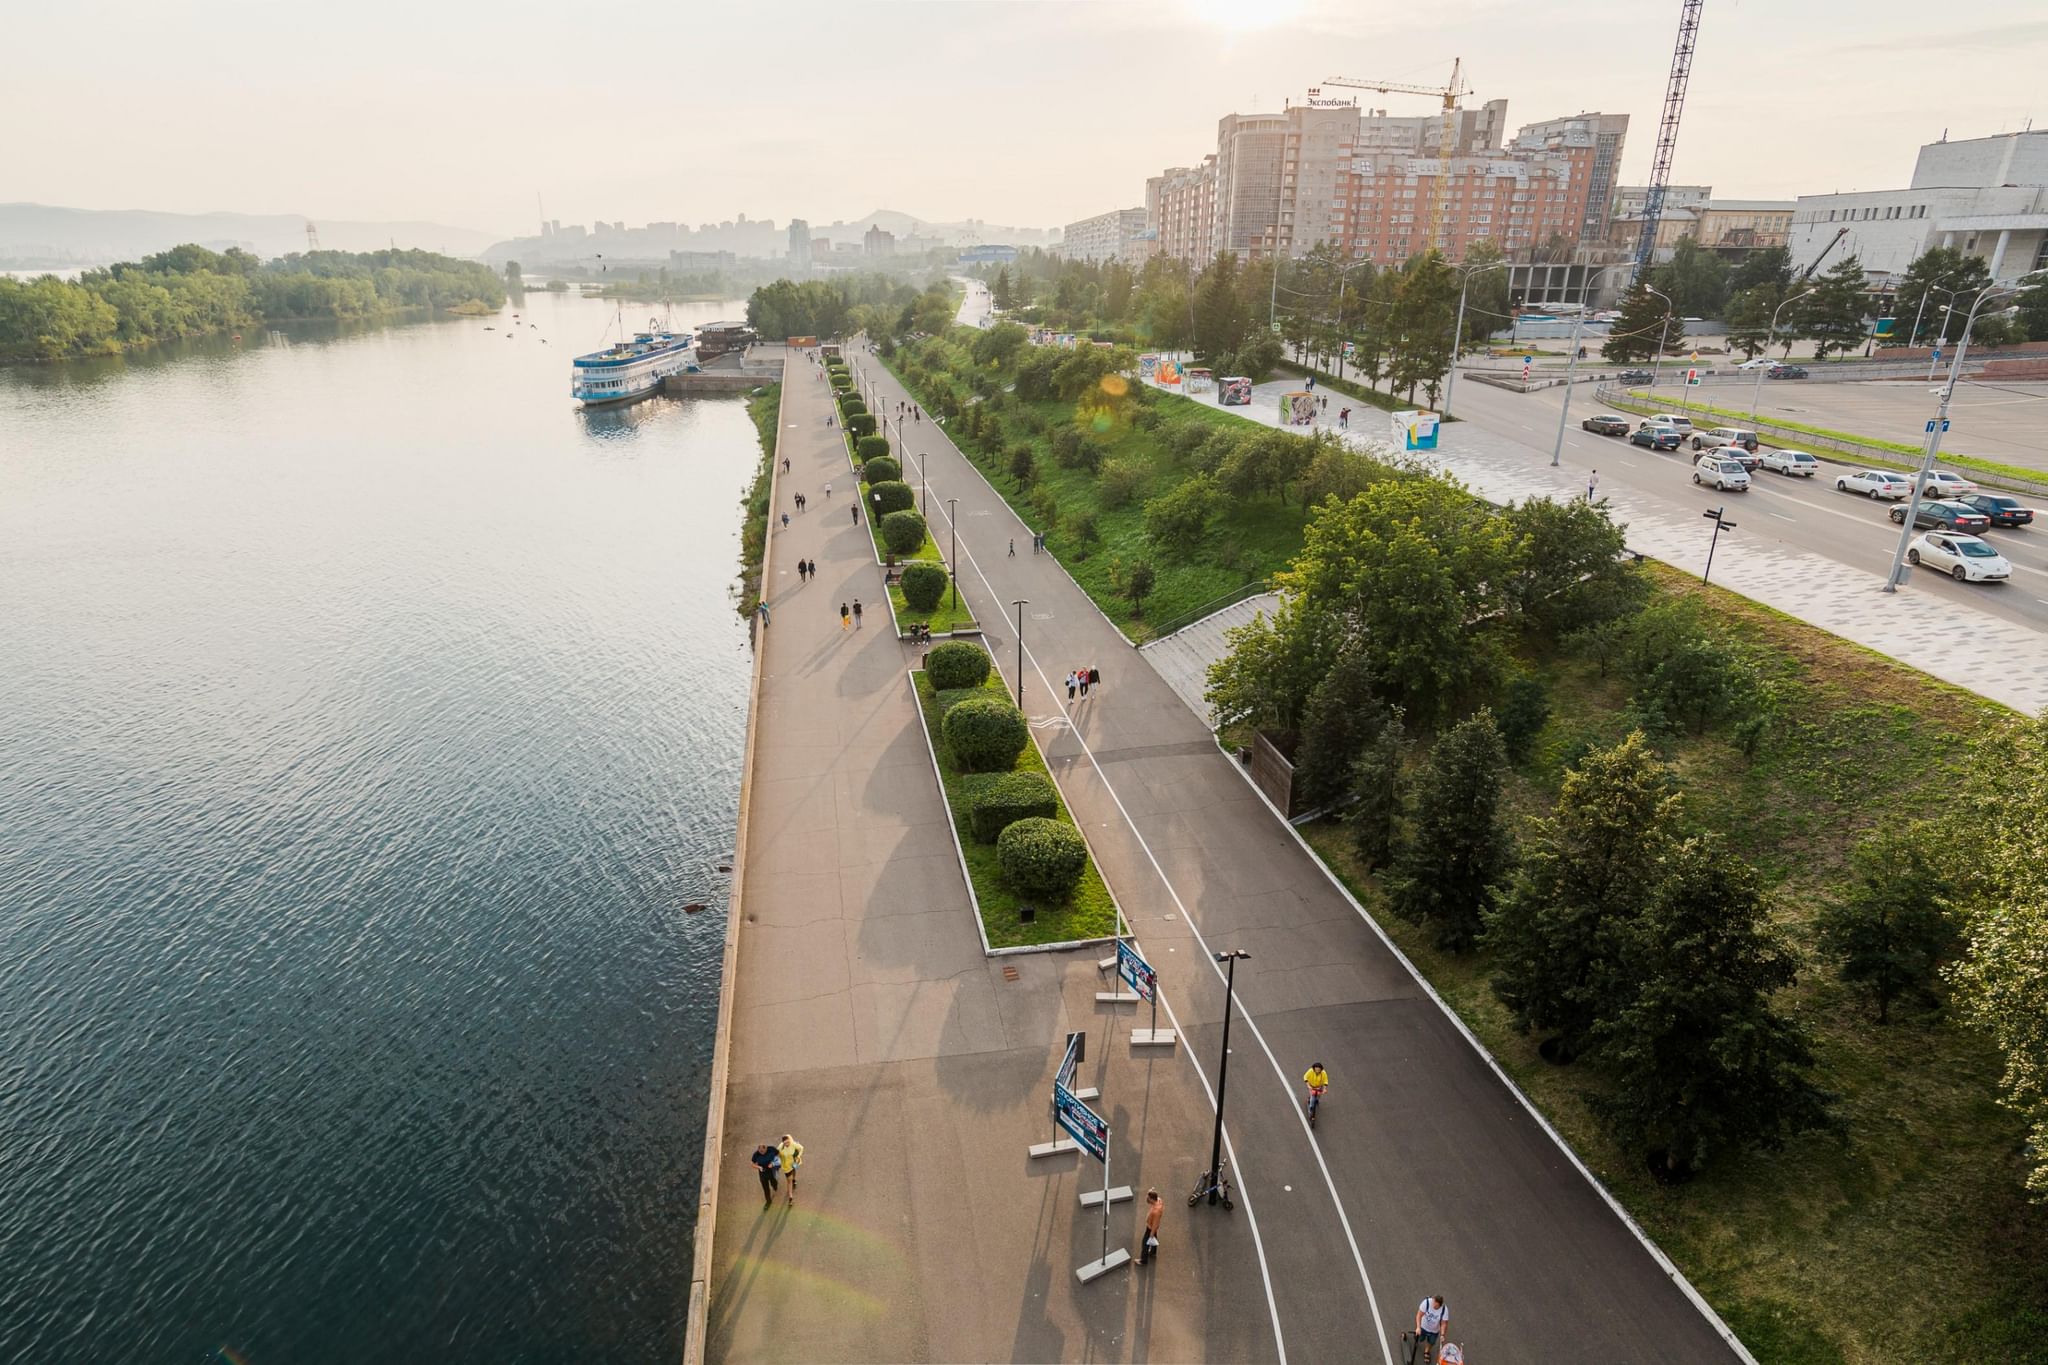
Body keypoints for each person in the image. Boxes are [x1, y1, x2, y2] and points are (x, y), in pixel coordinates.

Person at [1414, 1296, 1449, 1363]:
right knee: (1420, 1339)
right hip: (1423, 1327)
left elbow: (1444, 1323)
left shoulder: (1444, 1310)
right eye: (1433, 1303)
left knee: (1431, 1342)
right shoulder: (1426, 1302)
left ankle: (1426, 1351)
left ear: (1440, 1305)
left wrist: (1442, 1334)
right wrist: (1418, 1327)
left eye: (1436, 1305)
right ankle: (1417, 1336)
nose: (1433, 1305)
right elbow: (1419, 1315)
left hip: (1434, 1330)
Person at [778, 1134, 805, 1205]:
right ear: (783, 1143)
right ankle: (790, 1197)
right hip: (786, 1166)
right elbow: (776, 1154)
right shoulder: (780, 1147)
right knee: (789, 1181)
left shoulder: (793, 1144)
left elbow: (801, 1148)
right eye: (785, 1143)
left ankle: (794, 1179)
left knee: (794, 1172)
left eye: (788, 1142)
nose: (787, 1144)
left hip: (794, 1163)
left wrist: (798, 1156)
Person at [1140, 1188, 1163, 1265]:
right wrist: (1150, 1191)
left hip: (1151, 1228)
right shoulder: (1159, 1200)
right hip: (1153, 1226)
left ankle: (1143, 1260)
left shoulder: (1156, 1212)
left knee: (1145, 1243)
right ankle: (1153, 1252)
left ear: (1152, 1199)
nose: (1147, 1199)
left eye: (1148, 1198)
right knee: (1154, 1238)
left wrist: (1151, 1234)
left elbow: (1155, 1224)